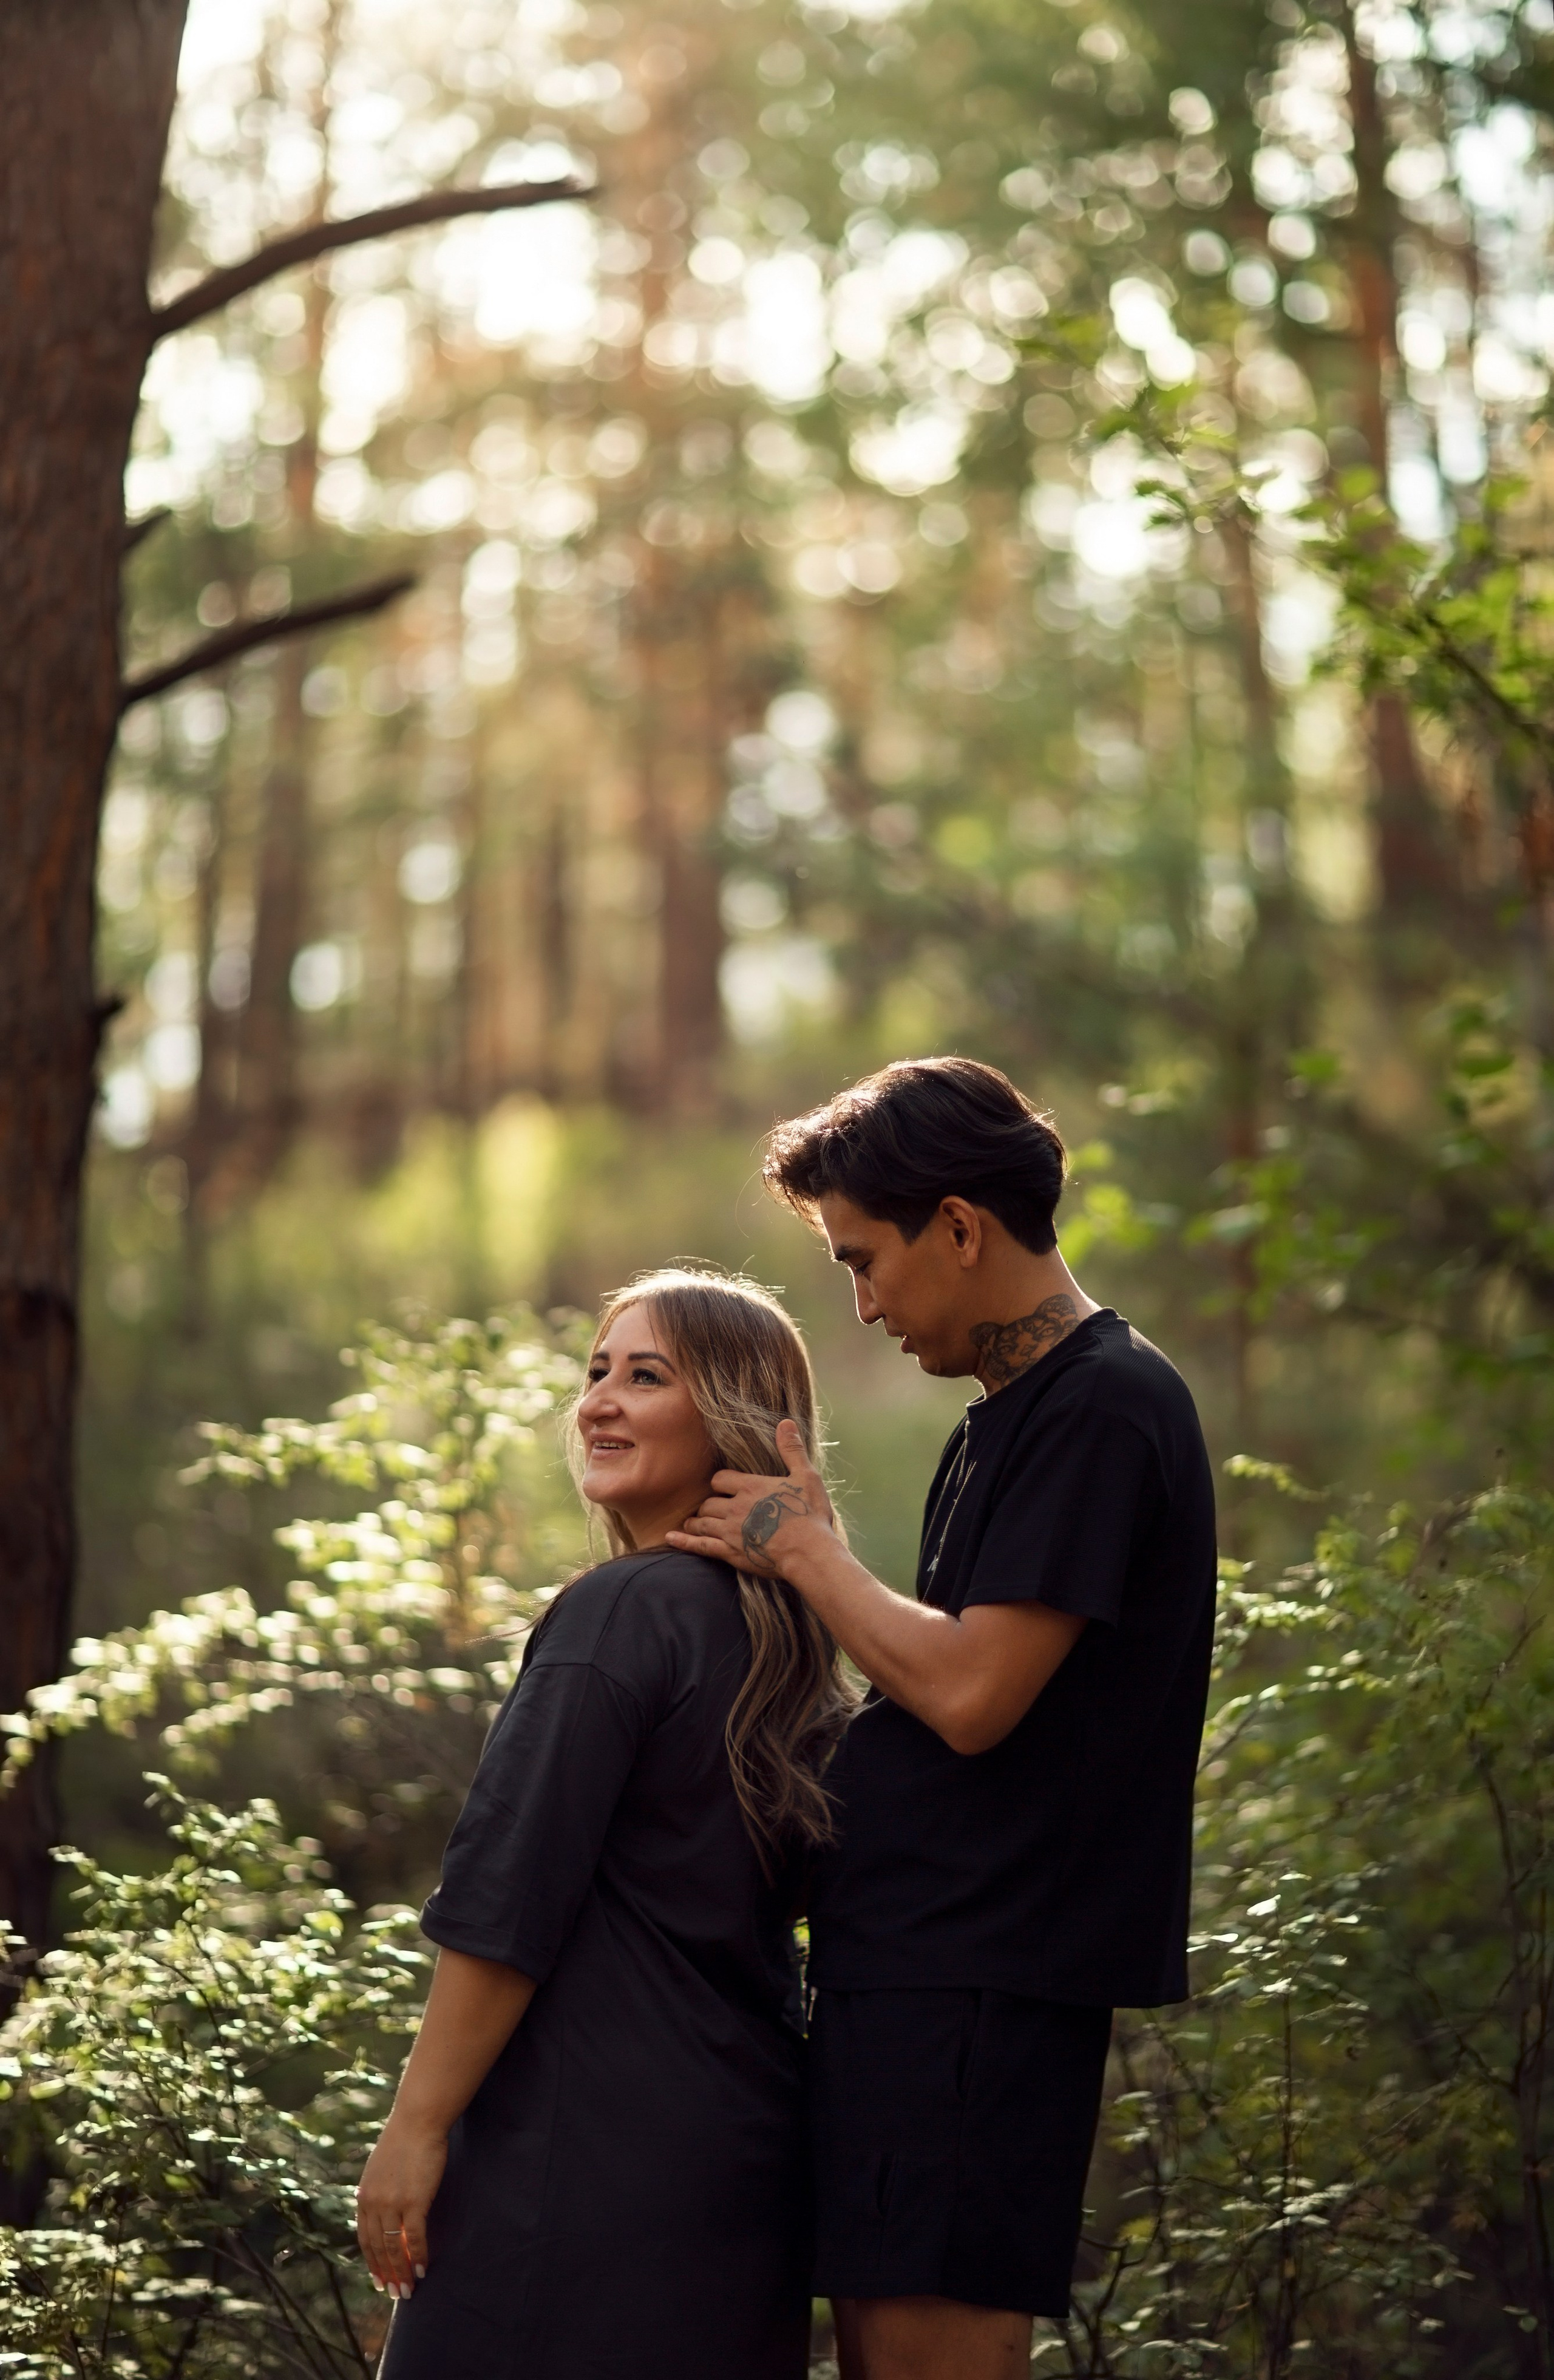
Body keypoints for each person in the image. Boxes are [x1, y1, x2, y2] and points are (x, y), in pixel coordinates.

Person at [670, 1057, 1218, 2380]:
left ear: (960, 1226)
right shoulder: (1007, 1413)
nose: (859, 1309)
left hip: (977, 1989)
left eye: (866, 1261)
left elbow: (972, 1693)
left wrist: (810, 1557)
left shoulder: (1100, 1404)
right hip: (918, 1979)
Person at [361, 1268, 855, 2380]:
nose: (598, 1402)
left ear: (729, 1416)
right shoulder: (800, 1645)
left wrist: (416, 2126)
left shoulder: (619, 1613)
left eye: (646, 1376)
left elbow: (508, 1895)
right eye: (596, 1373)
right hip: (740, 2167)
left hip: (575, 2164)